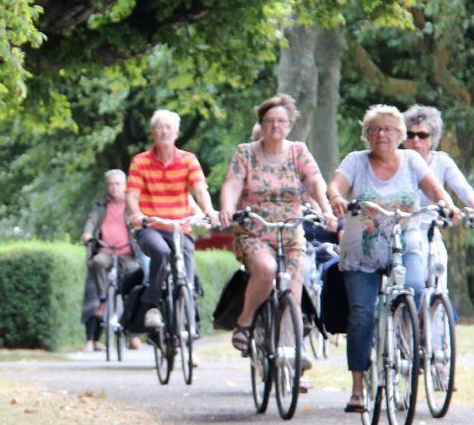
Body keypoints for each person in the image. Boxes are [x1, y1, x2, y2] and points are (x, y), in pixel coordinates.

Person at [326, 104, 459, 413]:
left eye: (388, 129)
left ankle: (405, 339)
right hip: (363, 250)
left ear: (399, 134)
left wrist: (447, 206)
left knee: (412, 287)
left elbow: (436, 190)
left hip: (405, 242)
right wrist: (336, 198)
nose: (381, 134)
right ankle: (358, 388)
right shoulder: (356, 162)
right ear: (366, 135)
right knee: (360, 315)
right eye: (374, 129)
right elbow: (336, 185)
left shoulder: (412, 161)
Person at [218, 94, 337, 356]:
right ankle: (246, 321)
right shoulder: (245, 153)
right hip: (254, 231)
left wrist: (326, 210)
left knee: (293, 294)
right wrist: (228, 208)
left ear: (290, 124)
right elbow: (233, 182)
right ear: (261, 124)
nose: (275, 126)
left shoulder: (298, 152)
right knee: (266, 268)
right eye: (270, 121)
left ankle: (291, 361)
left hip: (290, 232)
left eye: (281, 121)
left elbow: (315, 181)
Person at [126, 109, 218, 331]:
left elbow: (199, 189)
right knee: (162, 253)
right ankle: (152, 305)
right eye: (160, 127)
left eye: (169, 127)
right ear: (152, 133)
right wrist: (136, 214)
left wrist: (209, 210)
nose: (164, 131)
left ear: (176, 133)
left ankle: (189, 329)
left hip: (180, 227)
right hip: (151, 226)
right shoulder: (140, 162)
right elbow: (132, 195)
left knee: (186, 278)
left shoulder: (188, 160)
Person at [402, 105, 474, 267]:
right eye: (410, 134)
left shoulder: (442, 161)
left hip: (431, 230)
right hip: (402, 230)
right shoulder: (396, 162)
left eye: (422, 135)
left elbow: (463, 188)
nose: (416, 140)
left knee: (439, 262)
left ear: (433, 138)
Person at [81, 169, 143, 351]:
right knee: (98, 263)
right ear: (107, 186)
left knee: (135, 283)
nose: (114, 188)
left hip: (127, 253)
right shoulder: (101, 205)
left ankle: (133, 337)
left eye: (117, 184)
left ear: (124, 186)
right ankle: (103, 295)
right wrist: (87, 233)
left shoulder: (132, 204)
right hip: (106, 251)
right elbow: (91, 221)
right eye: (110, 184)